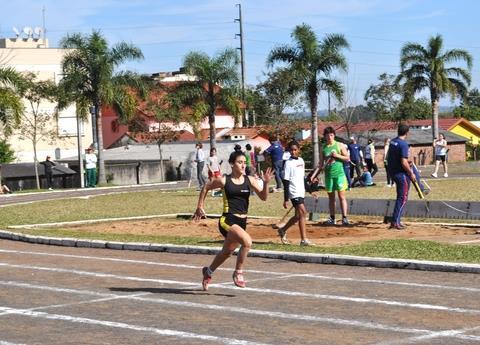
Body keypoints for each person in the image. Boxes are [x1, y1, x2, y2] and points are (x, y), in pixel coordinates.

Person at [193, 151, 273, 290]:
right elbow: (205, 187)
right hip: (227, 220)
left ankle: (208, 272)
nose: (243, 165)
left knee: (226, 252)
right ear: (232, 164)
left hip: (242, 222)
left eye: (244, 163)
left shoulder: (250, 180)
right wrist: (200, 206)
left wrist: (266, 183)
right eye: (239, 162)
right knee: (247, 242)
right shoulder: (224, 180)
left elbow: (263, 197)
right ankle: (238, 273)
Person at [276, 141, 313, 246]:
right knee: (303, 213)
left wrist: (310, 190)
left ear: (298, 150)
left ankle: (282, 230)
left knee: (297, 216)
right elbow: (286, 182)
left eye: (295, 149)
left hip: (301, 191)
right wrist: (286, 199)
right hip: (293, 192)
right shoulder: (288, 163)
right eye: (291, 150)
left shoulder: (301, 161)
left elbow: (303, 178)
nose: (293, 152)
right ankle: (303, 240)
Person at [312, 126, 350, 226]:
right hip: (329, 176)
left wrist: (337, 156)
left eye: (332, 135)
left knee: (342, 196)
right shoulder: (324, 148)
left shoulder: (339, 145)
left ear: (334, 135)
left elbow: (347, 158)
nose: (330, 137)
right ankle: (332, 218)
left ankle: (345, 218)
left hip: (339, 175)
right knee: (331, 198)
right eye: (327, 135)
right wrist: (314, 175)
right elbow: (320, 164)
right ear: (324, 136)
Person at [386, 124, 416, 230]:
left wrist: (407, 163)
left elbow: (394, 158)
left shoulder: (393, 142)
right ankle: (395, 222)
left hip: (393, 172)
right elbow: (403, 162)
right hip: (401, 174)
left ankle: (396, 220)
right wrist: (411, 173)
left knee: (400, 197)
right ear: (407, 132)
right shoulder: (403, 144)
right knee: (402, 198)